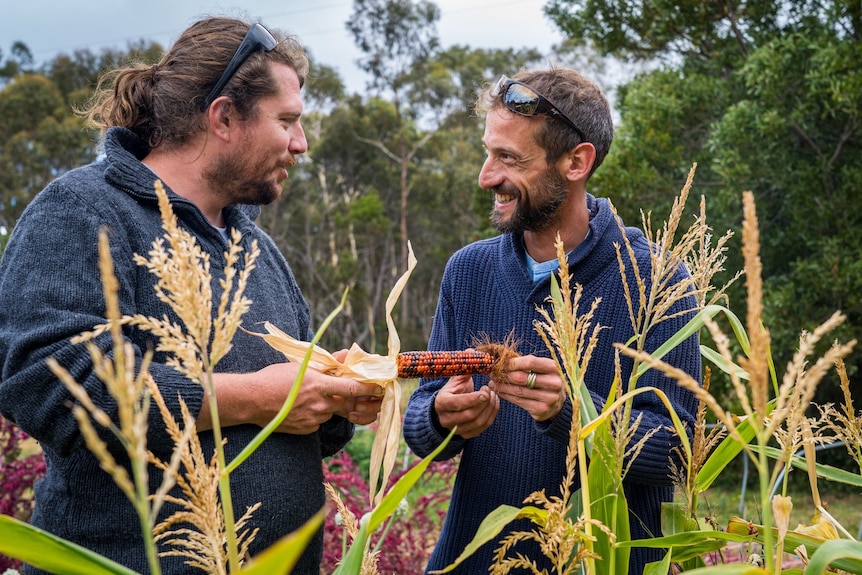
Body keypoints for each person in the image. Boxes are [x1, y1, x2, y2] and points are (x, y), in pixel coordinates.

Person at [0, 16, 383, 575]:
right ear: (224, 116)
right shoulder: (84, 211)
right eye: (287, 121)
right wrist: (254, 395)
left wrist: (332, 400)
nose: (301, 144)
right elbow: (49, 384)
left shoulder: (254, 247)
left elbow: (290, 427)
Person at [403, 68, 701, 574]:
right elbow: (422, 418)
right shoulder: (467, 271)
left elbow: (679, 452)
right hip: (472, 560)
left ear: (577, 162)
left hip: (600, 562)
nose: (486, 176)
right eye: (487, 152)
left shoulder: (657, 278)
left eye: (508, 159)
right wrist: (439, 417)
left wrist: (574, 413)